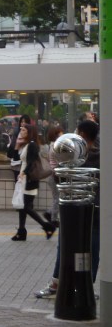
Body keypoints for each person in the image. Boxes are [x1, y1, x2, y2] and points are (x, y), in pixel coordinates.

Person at [36, 119, 100, 298]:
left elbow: (59, 178)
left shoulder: (76, 157)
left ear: (81, 134)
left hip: (74, 209)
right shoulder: (101, 156)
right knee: (92, 246)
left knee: (65, 244)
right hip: (95, 207)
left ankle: (57, 284)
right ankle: (87, 285)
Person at [10, 123, 56, 241]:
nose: (21, 132)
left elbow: (31, 162)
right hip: (24, 179)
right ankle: (21, 231)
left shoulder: (32, 145)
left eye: (23, 130)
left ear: (29, 133)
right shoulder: (25, 144)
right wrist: (16, 145)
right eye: (21, 130)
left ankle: (47, 226)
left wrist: (23, 173)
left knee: (26, 207)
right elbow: (14, 157)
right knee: (23, 206)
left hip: (29, 179)